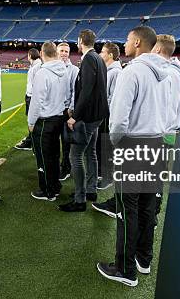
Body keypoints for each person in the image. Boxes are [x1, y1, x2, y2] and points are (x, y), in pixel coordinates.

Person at [96, 26, 171, 287]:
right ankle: (143, 258)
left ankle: (125, 269)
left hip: (133, 146)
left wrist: (117, 145)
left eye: (128, 40)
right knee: (147, 207)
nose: (125, 44)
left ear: (137, 42)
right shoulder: (169, 74)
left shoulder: (133, 72)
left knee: (127, 211)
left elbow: (118, 120)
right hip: (157, 145)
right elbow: (172, 116)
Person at [58, 29, 108, 212]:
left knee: (75, 156)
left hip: (88, 117)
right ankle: (91, 190)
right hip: (97, 115)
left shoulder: (88, 59)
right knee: (91, 152)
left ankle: (79, 200)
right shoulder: (98, 58)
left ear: (80, 41)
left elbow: (86, 90)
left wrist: (75, 117)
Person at [28, 42, 70, 201]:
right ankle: (55, 186)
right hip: (58, 118)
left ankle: (47, 191)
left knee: (43, 157)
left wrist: (31, 122)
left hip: (44, 121)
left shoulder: (42, 73)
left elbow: (36, 101)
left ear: (41, 53)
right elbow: (66, 96)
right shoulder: (64, 71)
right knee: (53, 155)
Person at [151, 34, 180, 219]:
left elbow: (161, 106)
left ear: (157, 49)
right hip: (171, 130)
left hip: (162, 130)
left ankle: (152, 210)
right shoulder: (176, 73)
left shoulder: (166, 75)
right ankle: (154, 206)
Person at [96, 42, 122, 190]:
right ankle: (101, 173)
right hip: (103, 113)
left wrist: (103, 110)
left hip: (107, 114)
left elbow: (113, 98)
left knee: (105, 146)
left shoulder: (116, 72)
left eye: (103, 52)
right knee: (100, 144)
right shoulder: (107, 70)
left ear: (110, 55)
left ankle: (107, 177)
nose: (100, 54)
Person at [56, 42, 79, 182]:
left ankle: (66, 168)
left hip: (65, 111)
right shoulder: (52, 67)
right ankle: (57, 166)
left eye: (66, 51)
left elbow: (75, 92)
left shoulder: (74, 70)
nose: (64, 53)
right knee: (53, 140)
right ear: (57, 52)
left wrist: (71, 109)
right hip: (53, 111)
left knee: (66, 142)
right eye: (62, 51)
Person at [15, 48, 42, 150]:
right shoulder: (35, 65)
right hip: (31, 95)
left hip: (32, 97)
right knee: (32, 119)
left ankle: (31, 142)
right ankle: (31, 139)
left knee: (32, 119)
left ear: (30, 55)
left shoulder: (37, 66)